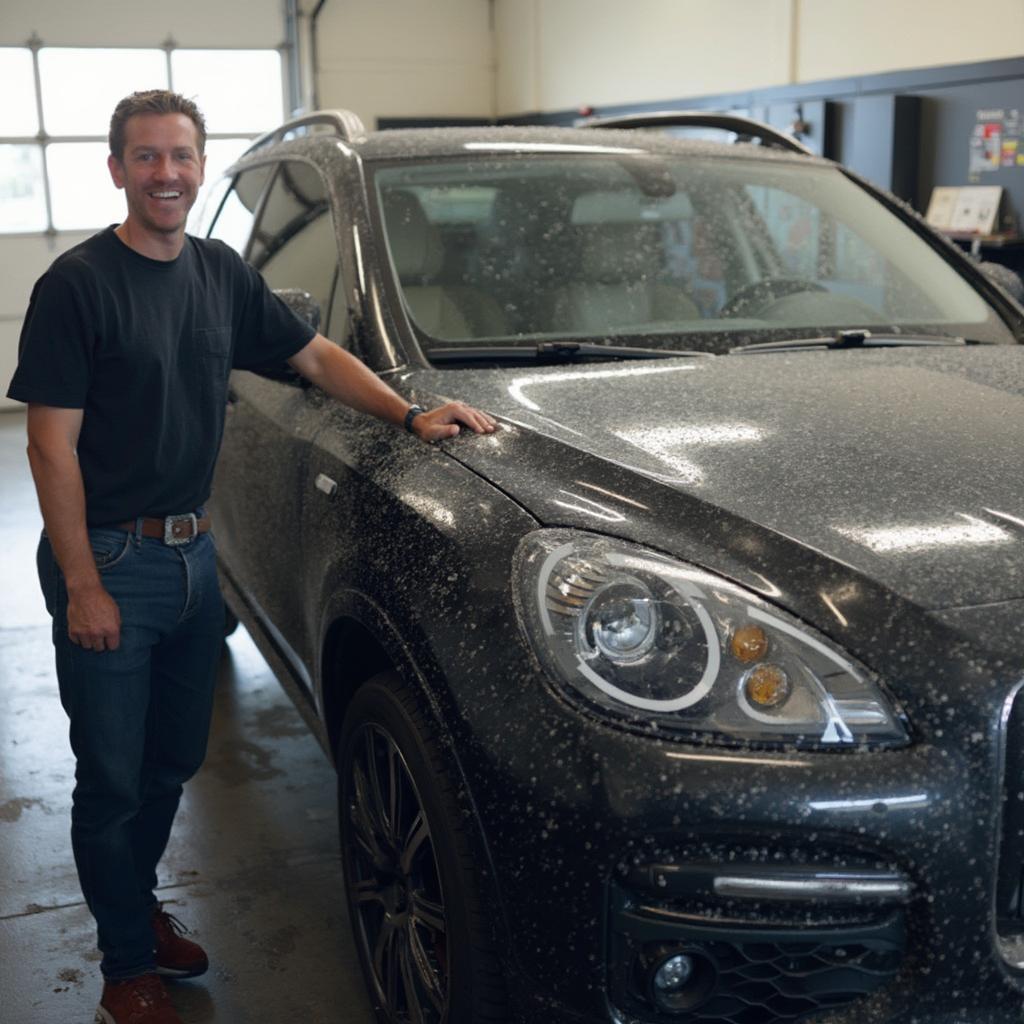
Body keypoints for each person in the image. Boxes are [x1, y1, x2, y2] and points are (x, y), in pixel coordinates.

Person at [5, 89, 496, 1024]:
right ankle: (121, 967)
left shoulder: (219, 272)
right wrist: (81, 584)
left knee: (171, 760)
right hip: (109, 560)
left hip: (195, 560)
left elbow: (311, 356)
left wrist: (408, 412)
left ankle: (134, 907)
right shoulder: (76, 286)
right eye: (145, 157)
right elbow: (49, 447)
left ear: (198, 165)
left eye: (181, 156)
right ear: (116, 169)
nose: (165, 173)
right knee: (110, 775)